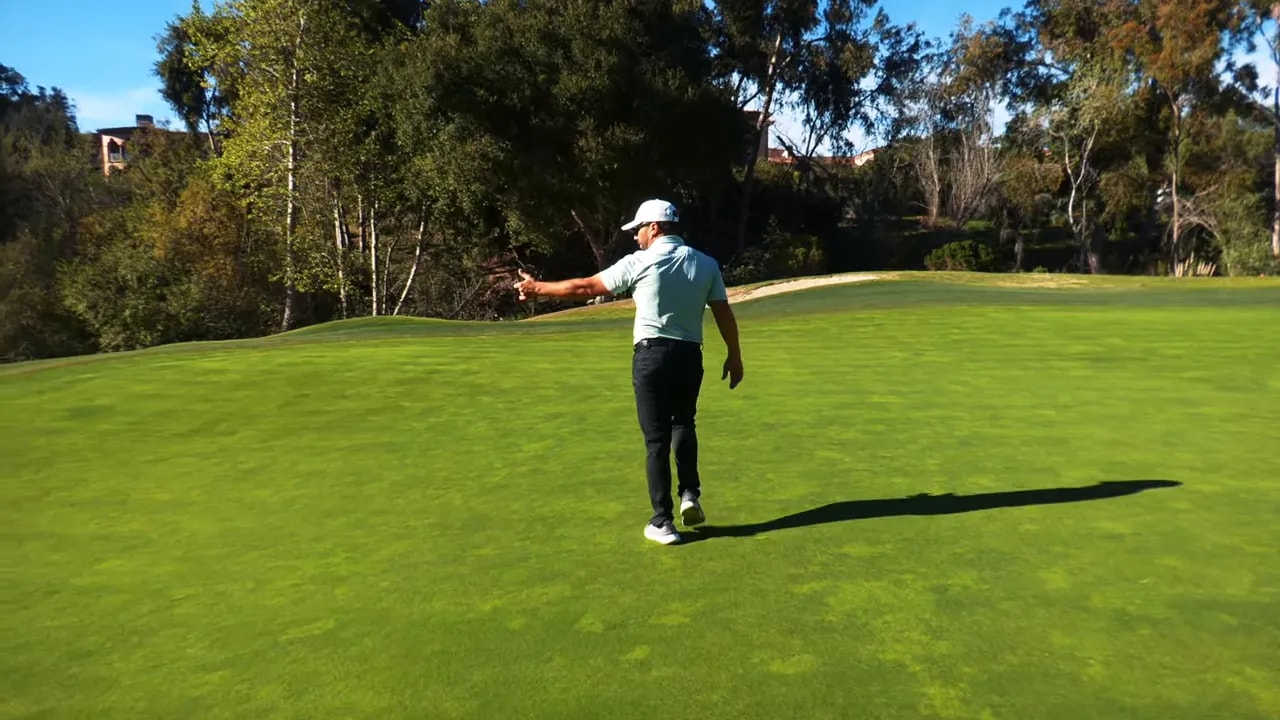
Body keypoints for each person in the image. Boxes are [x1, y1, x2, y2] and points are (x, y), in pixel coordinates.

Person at [513, 199, 744, 545]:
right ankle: (690, 494)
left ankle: (662, 522)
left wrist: (537, 288)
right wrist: (734, 355)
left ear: (655, 227)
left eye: (638, 229)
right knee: (684, 422)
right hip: (689, 356)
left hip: (651, 356)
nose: (635, 237)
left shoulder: (640, 262)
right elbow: (723, 313)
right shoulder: (706, 264)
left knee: (656, 440)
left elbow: (585, 288)